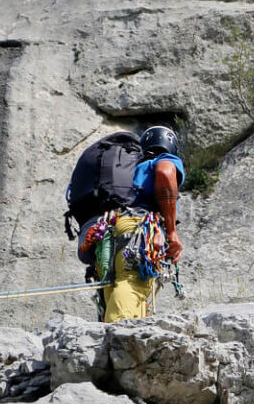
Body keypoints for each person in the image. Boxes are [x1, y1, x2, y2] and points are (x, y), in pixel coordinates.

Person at [74, 125, 185, 322]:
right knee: (132, 283)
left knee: (113, 289)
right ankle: (119, 341)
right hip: (135, 229)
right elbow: (166, 172)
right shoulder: (161, 160)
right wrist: (172, 232)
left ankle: (119, 343)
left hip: (104, 232)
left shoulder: (125, 171)